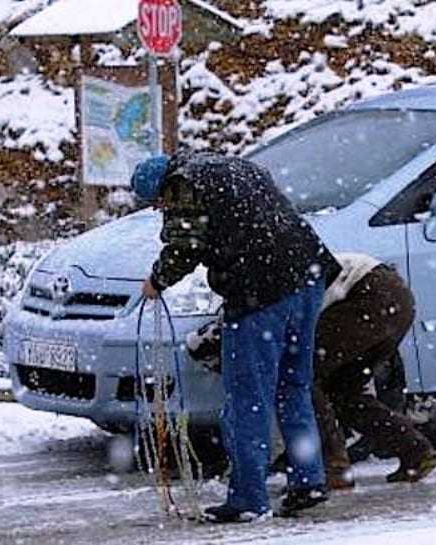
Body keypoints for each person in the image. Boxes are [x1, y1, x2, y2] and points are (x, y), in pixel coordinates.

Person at [131, 152, 341, 523]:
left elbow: (186, 246)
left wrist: (157, 280)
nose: (160, 208)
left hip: (260, 292)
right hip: (308, 274)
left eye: (158, 202)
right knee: (293, 386)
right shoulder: (228, 165)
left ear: (164, 188)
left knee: (248, 398)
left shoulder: (185, 184)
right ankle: (308, 479)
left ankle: (249, 499)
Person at [187, 253, 436, 490]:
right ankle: (416, 452)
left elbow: (285, 338)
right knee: (346, 394)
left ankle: (333, 466)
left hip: (368, 294)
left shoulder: (254, 302)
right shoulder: (258, 289)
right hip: (395, 299)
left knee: (300, 377)